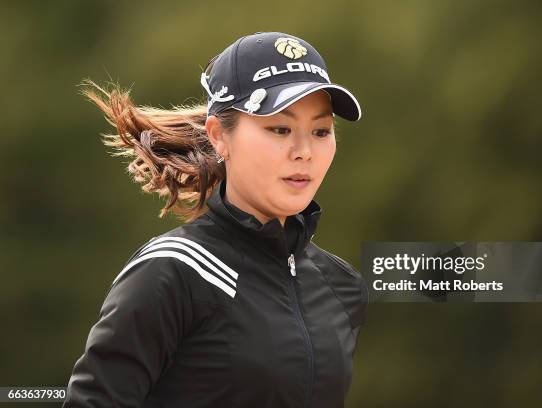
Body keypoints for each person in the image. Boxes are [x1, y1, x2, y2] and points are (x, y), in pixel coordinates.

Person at [63, 31, 368, 408]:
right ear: (219, 136)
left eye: (321, 131)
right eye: (280, 129)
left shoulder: (342, 287)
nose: (304, 151)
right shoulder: (170, 272)